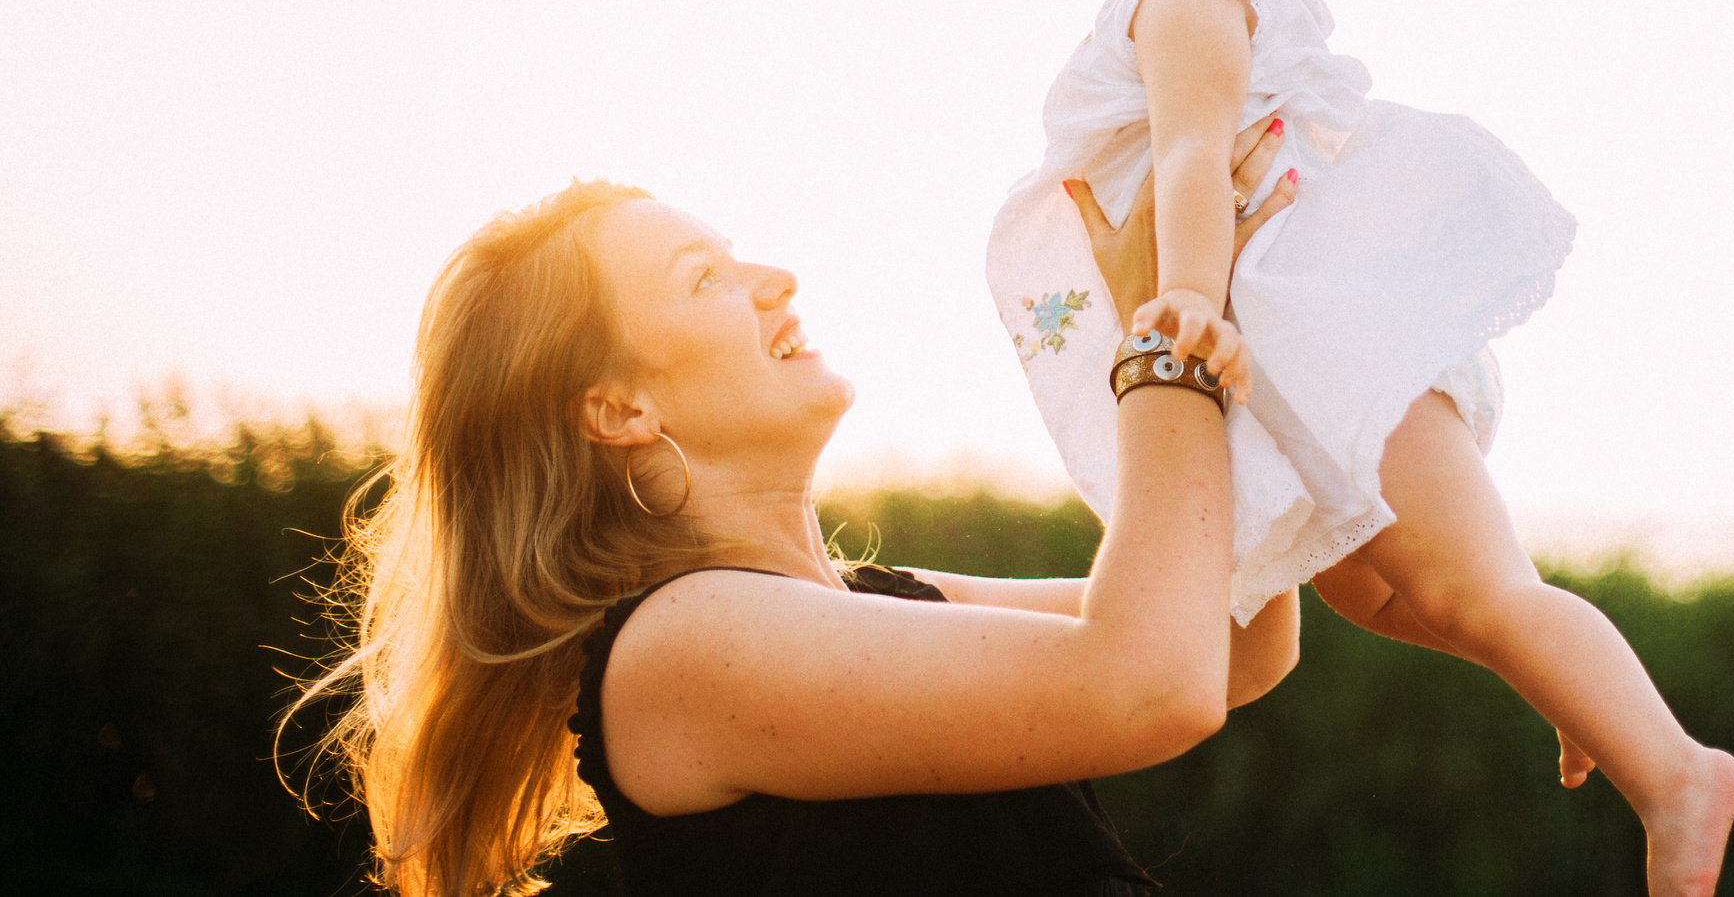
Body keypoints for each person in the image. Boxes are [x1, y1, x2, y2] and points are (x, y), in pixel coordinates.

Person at [987, 0, 1734, 895]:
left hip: (1321, 329)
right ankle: (1578, 683)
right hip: (1299, 343)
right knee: (1387, 596)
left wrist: (1181, 294)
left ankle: (1675, 774)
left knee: (1479, 588)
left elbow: (1192, 154)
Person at [292, 126, 1302, 897]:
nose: (773, 281)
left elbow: (1234, 638)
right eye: (706, 279)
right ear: (619, 409)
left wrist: (1222, 301)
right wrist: (1161, 343)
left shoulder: (873, 604)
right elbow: (1149, 687)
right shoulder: (681, 645)